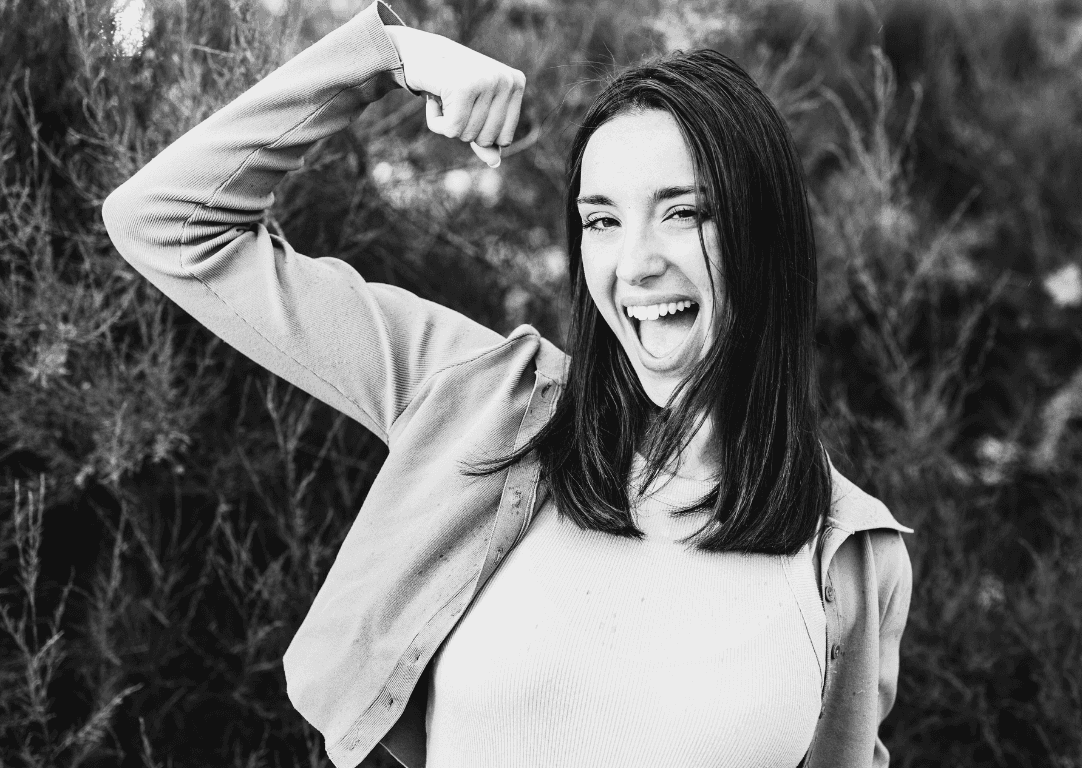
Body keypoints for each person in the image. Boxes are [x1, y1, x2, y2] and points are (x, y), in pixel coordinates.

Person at [101, 2, 914, 766]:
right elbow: (169, 223)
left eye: (683, 211)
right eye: (602, 219)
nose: (635, 264)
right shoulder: (488, 403)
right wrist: (390, 57)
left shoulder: (847, 549)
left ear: (763, 232)